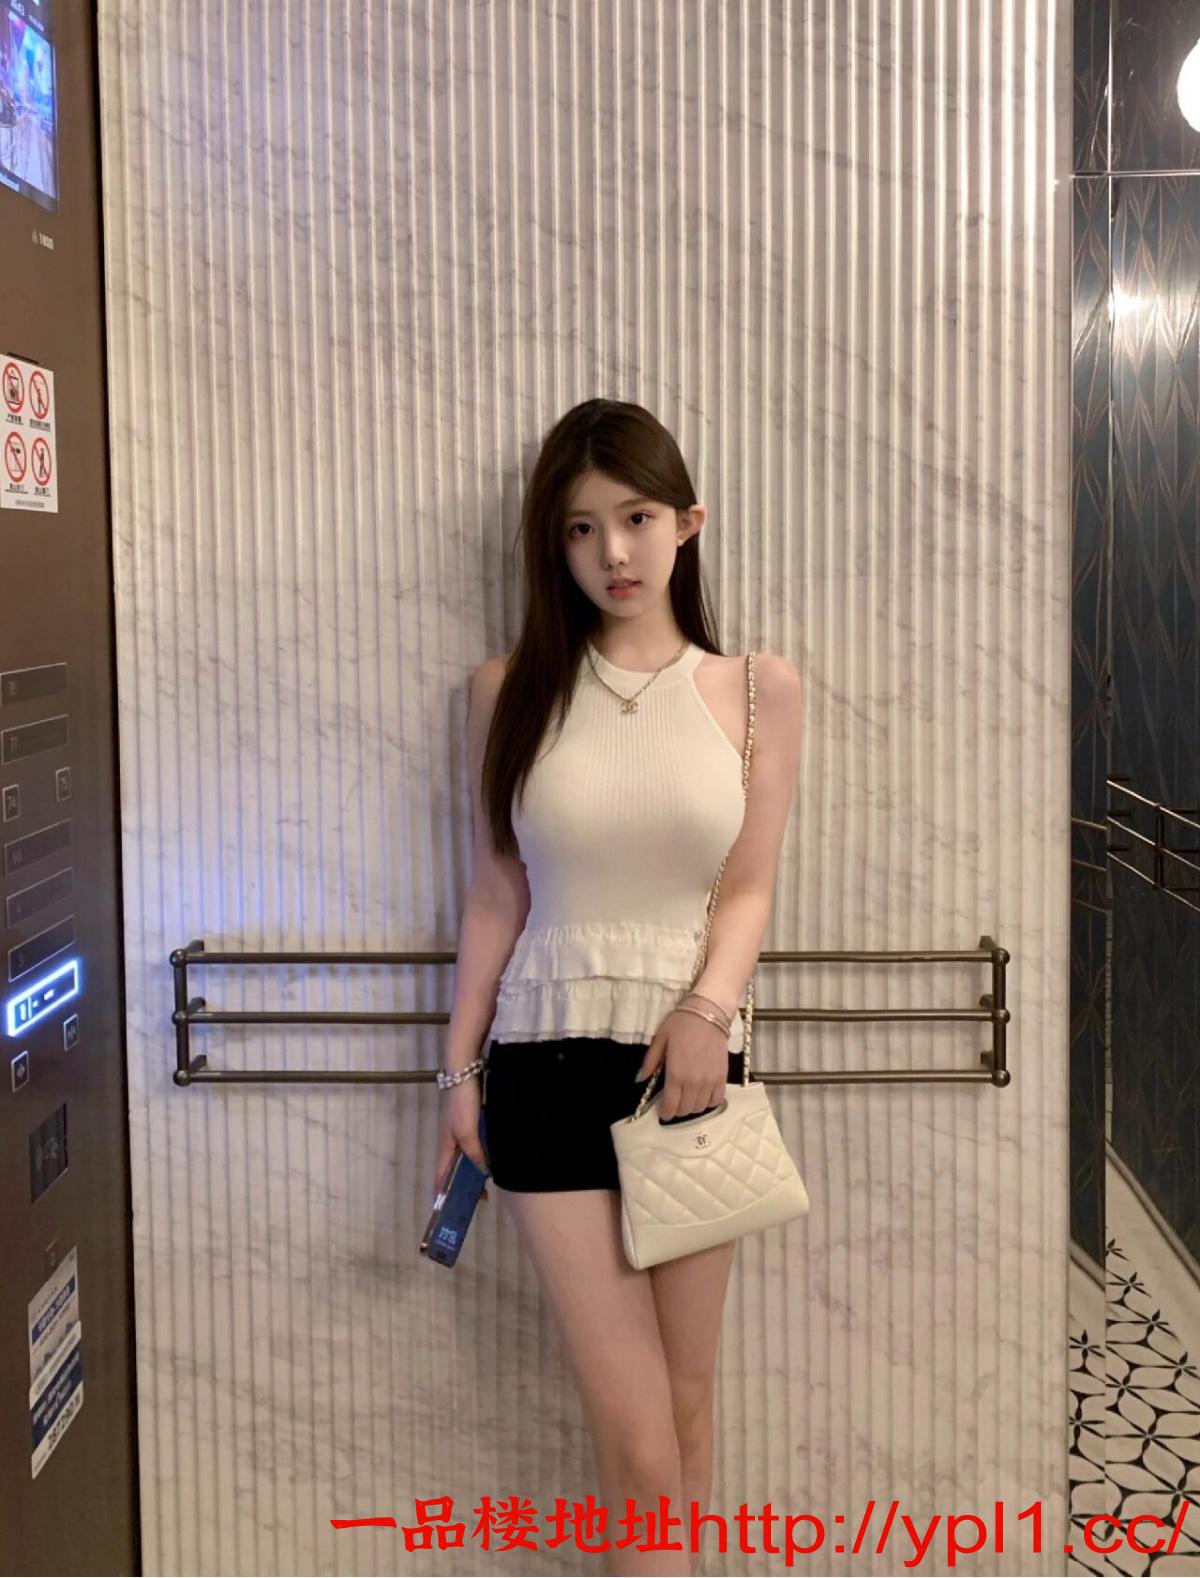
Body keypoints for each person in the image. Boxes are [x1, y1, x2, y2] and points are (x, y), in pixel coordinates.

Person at [433, 399, 803, 1577]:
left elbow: (749, 886)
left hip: (689, 1073)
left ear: (688, 522)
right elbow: (496, 892)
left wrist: (707, 1013)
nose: (614, 553)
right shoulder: (507, 692)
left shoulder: (757, 689)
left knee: (686, 1412)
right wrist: (457, 1074)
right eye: (582, 528)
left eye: (636, 519)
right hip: (539, 1075)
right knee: (638, 1438)